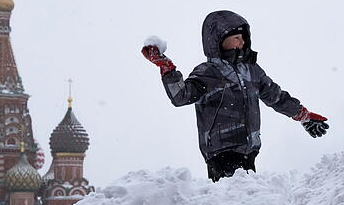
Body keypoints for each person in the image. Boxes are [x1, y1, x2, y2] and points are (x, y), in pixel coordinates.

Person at [141, 10, 329, 182]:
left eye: (244, 38)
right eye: (237, 38)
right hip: (220, 153)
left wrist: (303, 115)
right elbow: (181, 96)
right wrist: (166, 68)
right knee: (230, 203)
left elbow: (276, 96)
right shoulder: (208, 72)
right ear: (218, 40)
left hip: (249, 149)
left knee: (247, 203)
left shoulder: (252, 71)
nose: (242, 42)